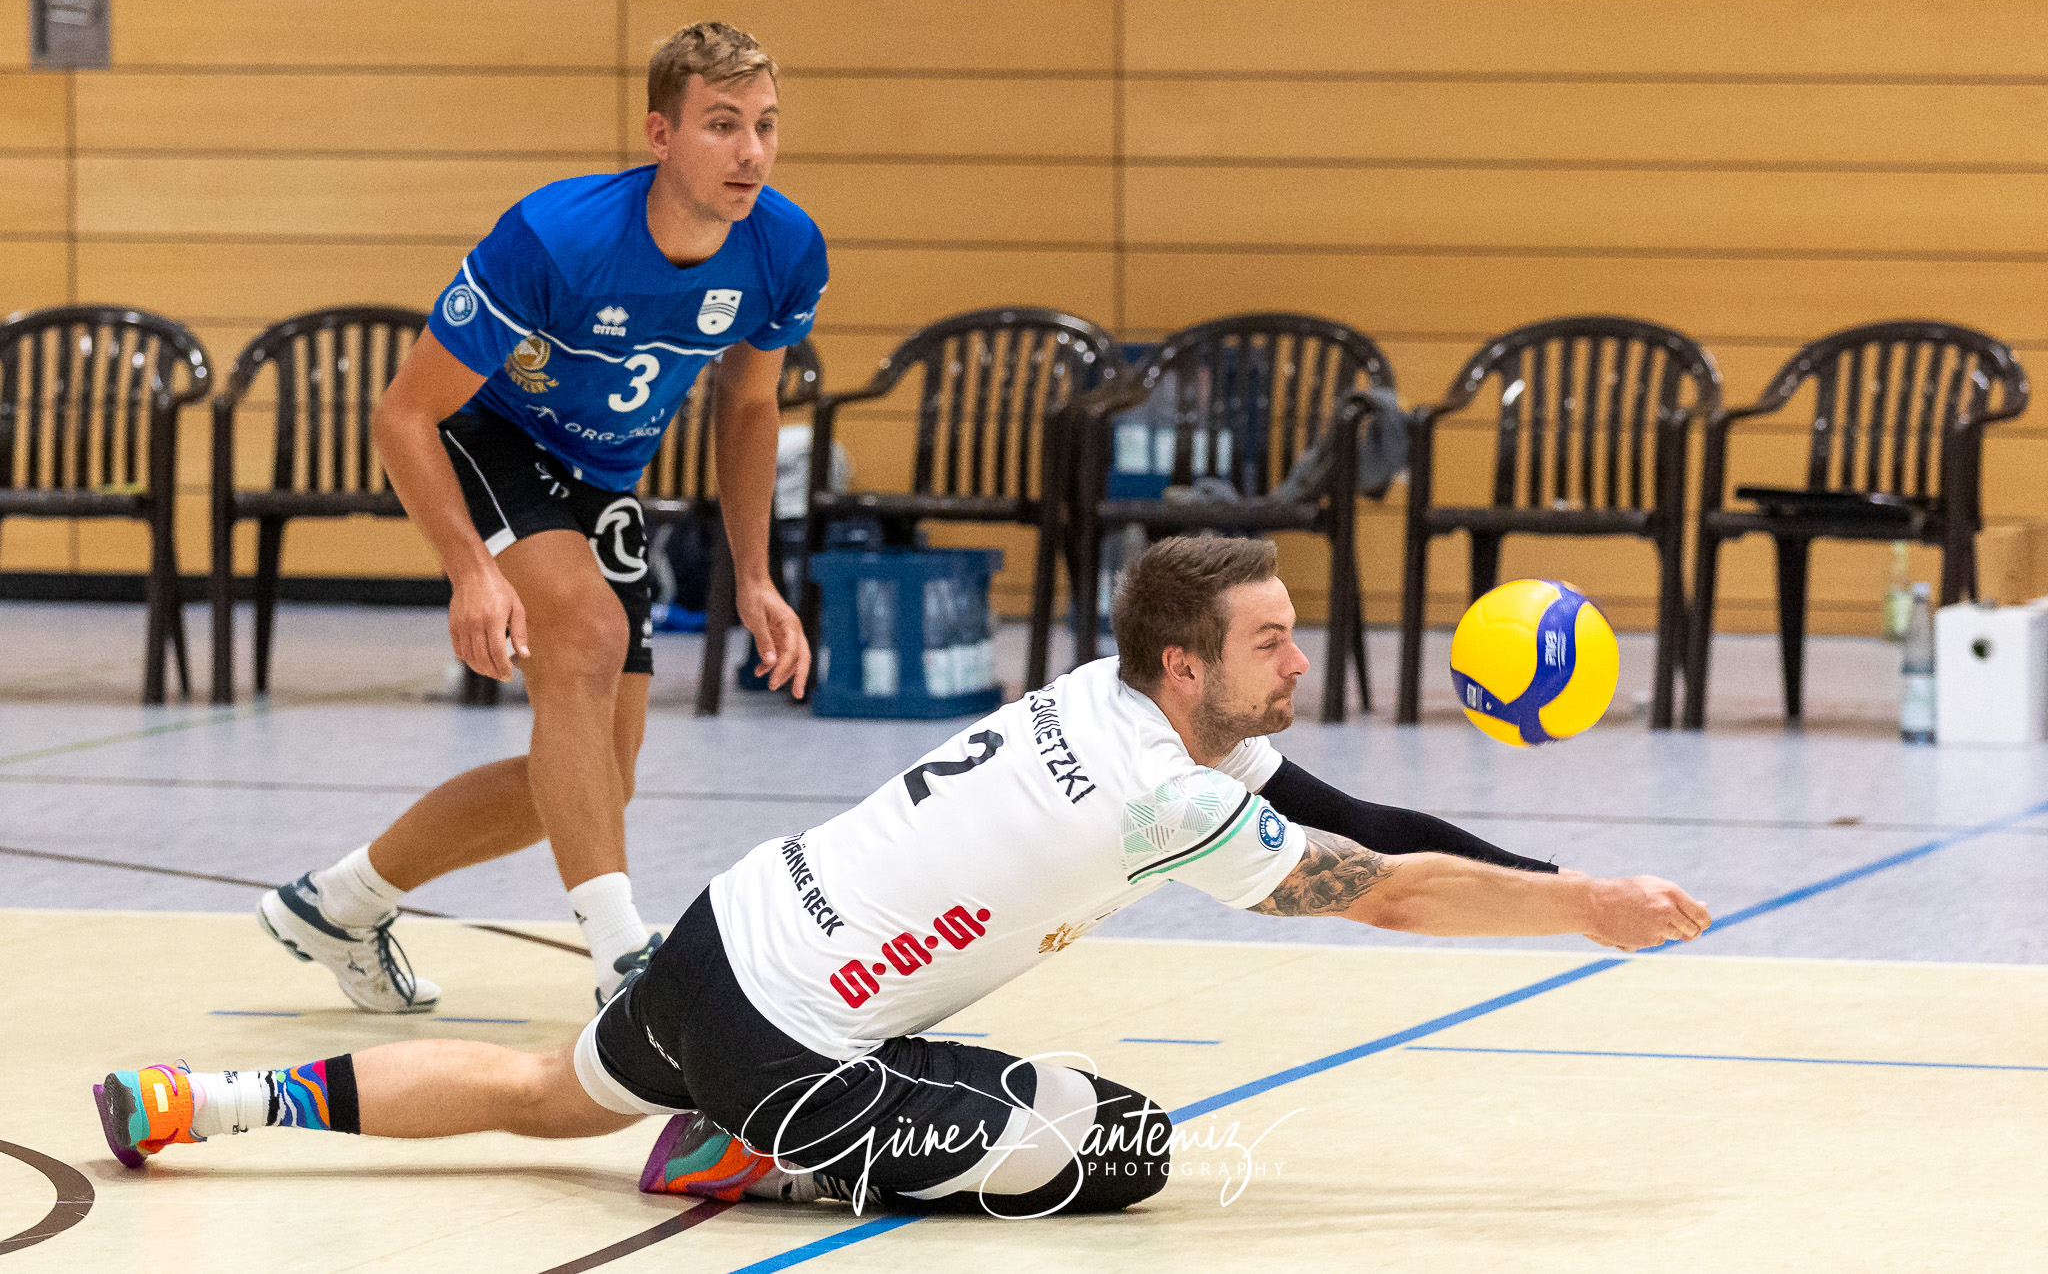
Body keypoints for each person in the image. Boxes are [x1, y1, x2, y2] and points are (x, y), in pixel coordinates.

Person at [102, 536, 1709, 1218]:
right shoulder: (1168, 792)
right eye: (1272, 641)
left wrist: (1569, 867)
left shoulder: (1106, 699)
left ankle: (209, 1100)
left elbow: (1345, 801)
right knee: (1126, 1146)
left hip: (718, 932)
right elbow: (1389, 887)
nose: (1297, 661)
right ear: (1187, 659)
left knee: (543, 1087)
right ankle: (755, 1155)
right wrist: (1583, 911)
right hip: (788, 1047)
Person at [256, 22, 823, 1013]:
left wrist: (755, 574)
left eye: (765, 126)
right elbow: (401, 413)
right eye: (721, 125)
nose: (749, 153)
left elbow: (749, 406)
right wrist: (470, 568)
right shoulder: (557, 236)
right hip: (487, 434)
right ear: (660, 133)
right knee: (588, 632)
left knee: (599, 778)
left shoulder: (783, 248)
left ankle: (338, 901)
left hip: (600, 475)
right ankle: (621, 958)